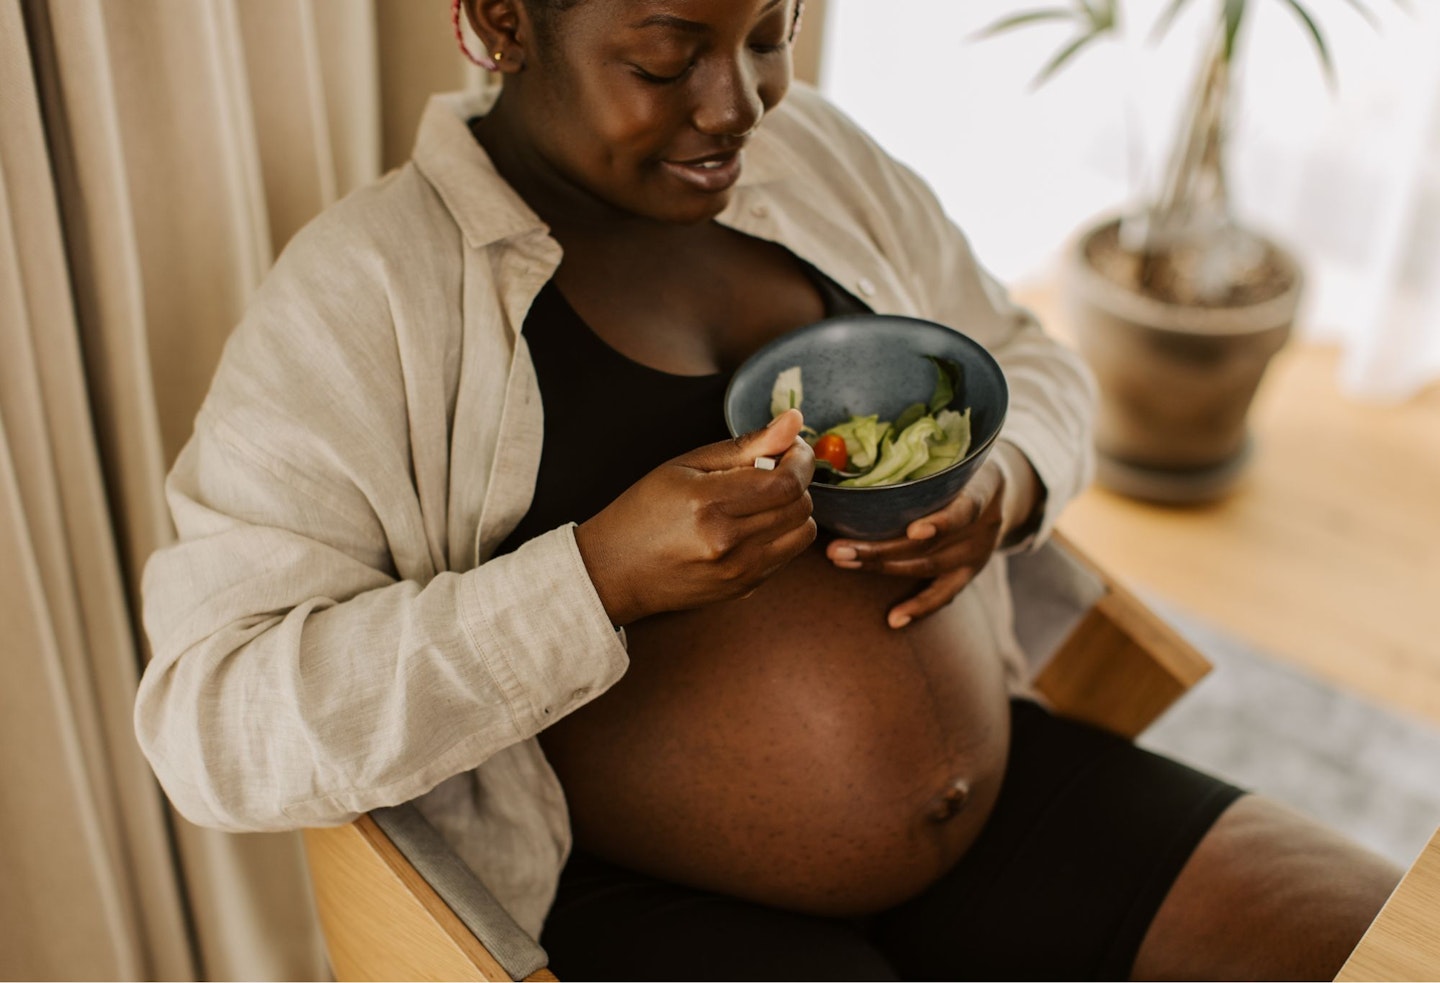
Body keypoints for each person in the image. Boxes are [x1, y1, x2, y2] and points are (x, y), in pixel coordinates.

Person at [134, 0, 1401, 978]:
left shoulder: (812, 162)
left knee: (1381, 936)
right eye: (668, 52)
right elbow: (212, 718)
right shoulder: (367, 298)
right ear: (502, 22)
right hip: (646, 900)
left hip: (1006, 802)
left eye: (772, 32)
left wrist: (1004, 483)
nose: (737, 105)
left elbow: (1028, 358)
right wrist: (597, 577)